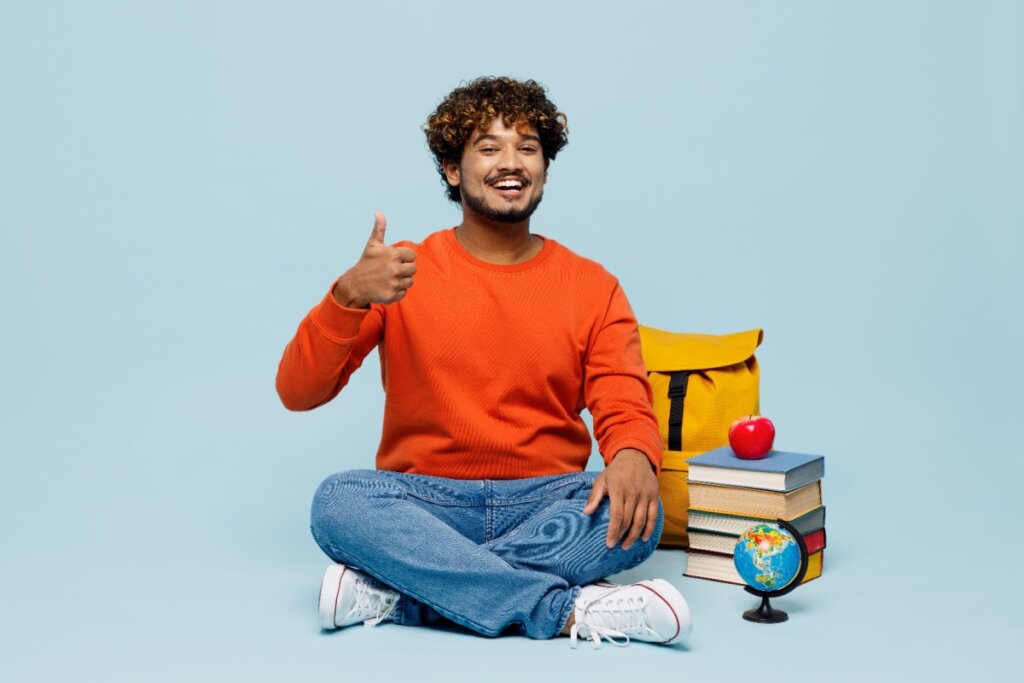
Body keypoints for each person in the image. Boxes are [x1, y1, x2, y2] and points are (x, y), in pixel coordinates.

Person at [275, 76, 692, 649]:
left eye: (527, 147)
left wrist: (632, 456)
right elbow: (299, 391)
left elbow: (623, 398)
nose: (510, 162)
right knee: (339, 502)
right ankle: (562, 612)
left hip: (549, 501)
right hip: (428, 504)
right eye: (488, 147)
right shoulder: (399, 274)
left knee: (635, 515)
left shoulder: (593, 286)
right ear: (453, 170)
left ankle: (404, 597)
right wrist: (347, 294)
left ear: (544, 168)